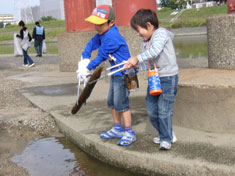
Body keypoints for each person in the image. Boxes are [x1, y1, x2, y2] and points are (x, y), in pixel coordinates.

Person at [77, 5, 136, 146]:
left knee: (122, 103)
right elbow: (91, 44)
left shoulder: (112, 37)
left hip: (125, 74)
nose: (97, 27)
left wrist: (87, 67)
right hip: (116, 74)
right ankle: (117, 128)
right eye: (95, 24)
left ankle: (129, 132)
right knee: (112, 101)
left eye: (100, 24)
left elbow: (101, 56)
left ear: (111, 22)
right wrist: (84, 56)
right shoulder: (102, 33)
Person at [124, 9, 178, 150]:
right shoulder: (145, 41)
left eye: (138, 29)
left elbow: (155, 51)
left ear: (149, 25)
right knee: (151, 110)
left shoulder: (161, 34)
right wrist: (133, 66)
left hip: (167, 78)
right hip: (154, 79)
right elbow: (144, 62)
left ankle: (166, 139)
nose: (137, 33)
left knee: (164, 110)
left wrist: (137, 57)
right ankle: (166, 133)